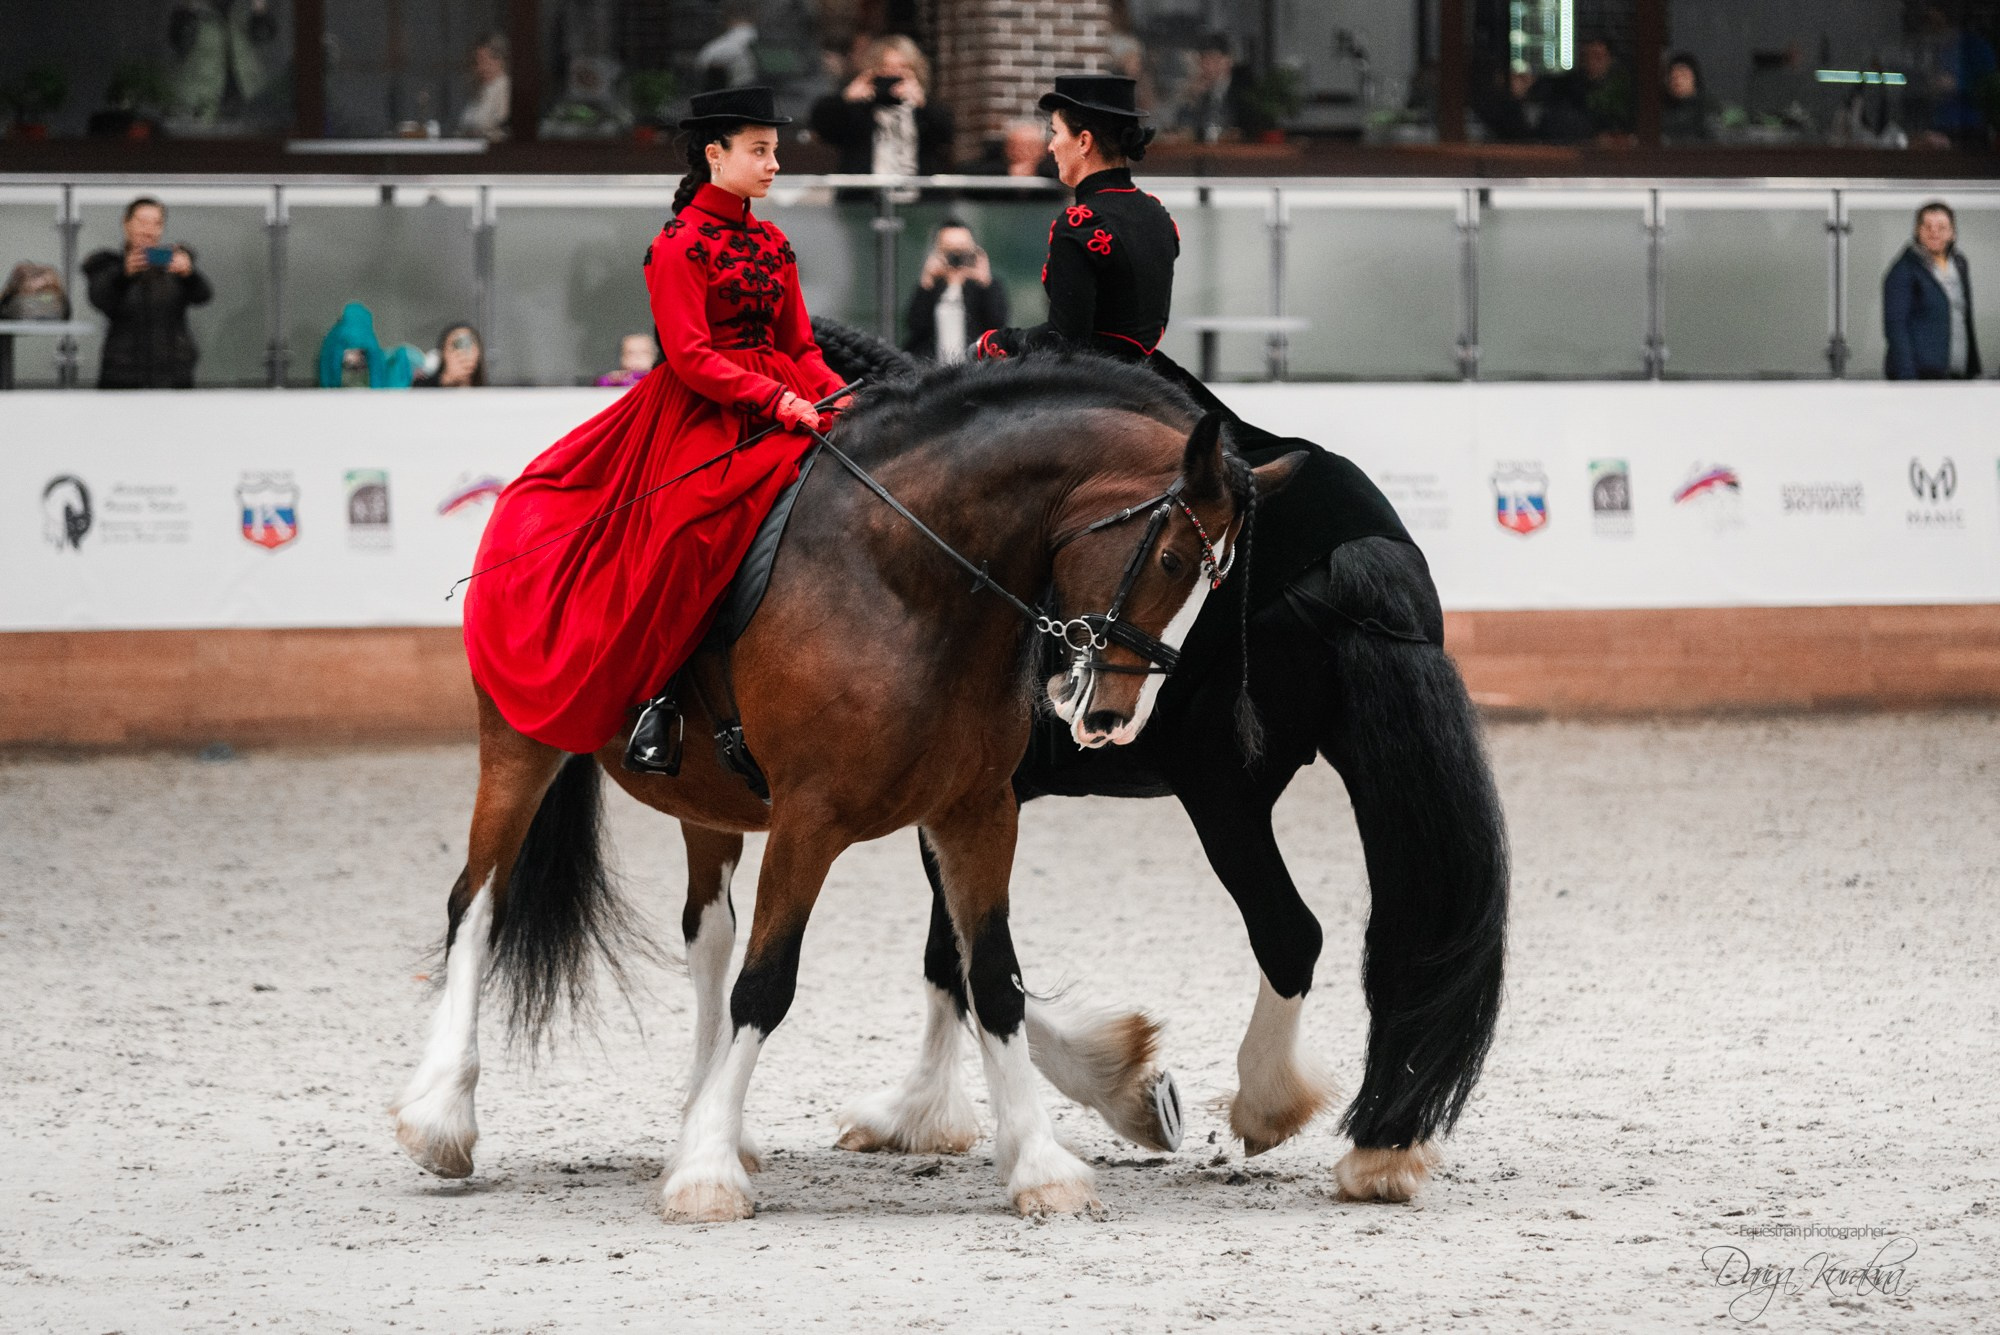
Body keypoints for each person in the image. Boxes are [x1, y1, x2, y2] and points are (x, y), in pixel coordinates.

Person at [462, 86, 847, 769]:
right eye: (760, 151)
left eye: (774, 151)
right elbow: (691, 356)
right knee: (685, 531)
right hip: (702, 411)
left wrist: (838, 397)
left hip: (780, 398)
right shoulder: (678, 245)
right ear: (715, 154)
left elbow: (803, 347)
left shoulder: (775, 243)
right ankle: (659, 700)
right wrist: (776, 400)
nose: (773, 165)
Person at [973, 74, 1178, 370]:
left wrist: (994, 342)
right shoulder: (1158, 214)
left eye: (1055, 133)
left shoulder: (1082, 223)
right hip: (1151, 376)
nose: (1051, 147)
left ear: (1083, 141)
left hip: (1096, 384)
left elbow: (1065, 341)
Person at [81, 197, 212, 390]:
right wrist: (124, 275)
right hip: (122, 374)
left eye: (156, 223)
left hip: (174, 372)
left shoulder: (173, 266)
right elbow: (99, 299)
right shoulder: (107, 265)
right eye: (142, 222)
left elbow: (203, 296)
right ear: (126, 223)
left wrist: (189, 274)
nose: (148, 230)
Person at [808, 35, 955, 178]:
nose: (893, 75)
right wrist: (846, 98)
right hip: (864, 197)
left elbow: (946, 134)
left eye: (902, 67)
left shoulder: (925, 109)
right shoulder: (859, 109)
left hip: (918, 197)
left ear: (915, 70)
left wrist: (923, 104)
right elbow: (822, 127)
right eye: (886, 68)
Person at [1884, 201, 1981, 381]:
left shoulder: (1959, 264)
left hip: (1958, 373)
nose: (1934, 232)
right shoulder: (1903, 270)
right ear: (1917, 231)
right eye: (1928, 226)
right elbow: (1896, 327)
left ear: (1953, 233)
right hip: (1921, 376)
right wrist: (1907, 377)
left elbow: (1964, 319)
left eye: (1941, 227)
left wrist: (1973, 369)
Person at [904, 219, 1008, 364]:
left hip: (974, 372)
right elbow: (914, 327)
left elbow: (998, 323)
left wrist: (985, 282)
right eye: (949, 250)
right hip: (934, 370)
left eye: (962, 250)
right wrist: (926, 282)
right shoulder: (931, 287)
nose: (956, 257)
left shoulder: (984, 287)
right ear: (937, 252)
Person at [1538, 36, 1633, 143]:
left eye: (1598, 57)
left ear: (1610, 60)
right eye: (1586, 57)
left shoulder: (1624, 90)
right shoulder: (1567, 90)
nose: (1591, 62)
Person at [1174, 32, 1252, 143]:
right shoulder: (1200, 90)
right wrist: (1191, 98)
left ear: (1228, 60)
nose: (1207, 65)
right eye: (1203, 59)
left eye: (1213, 58)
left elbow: (1250, 128)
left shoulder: (1245, 88)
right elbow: (1184, 126)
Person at [458, 33, 511, 141]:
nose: (480, 67)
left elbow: (501, 126)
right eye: (476, 62)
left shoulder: (506, 88)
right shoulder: (480, 89)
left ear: (499, 60)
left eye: (483, 60)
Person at [414, 322, 487, 387]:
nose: (463, 353)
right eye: (456, 345)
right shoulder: (423, 388)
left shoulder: (489, 393)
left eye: (469, 345)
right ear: (444, 352)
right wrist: (447, 380)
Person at [1660, 52, 1711, 144]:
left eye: (1683, 75)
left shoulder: (1708, 110)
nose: (1678, 81)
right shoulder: (1660, 113)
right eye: (1673, 77)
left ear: (1695, 79)